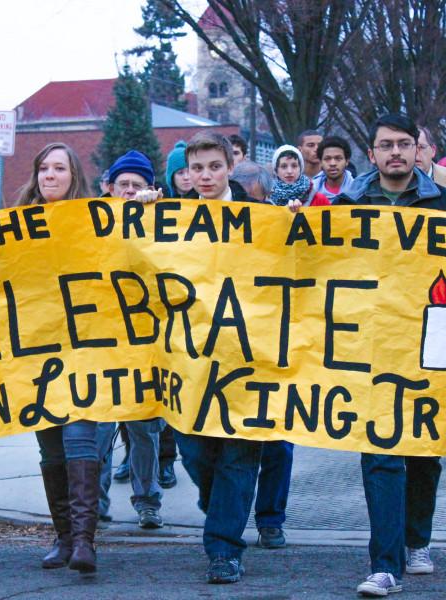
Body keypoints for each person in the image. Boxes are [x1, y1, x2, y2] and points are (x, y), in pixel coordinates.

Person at [334, 114, 446, 597]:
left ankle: (416, 539)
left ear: (419, 150)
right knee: (380, 450)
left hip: (431, 343)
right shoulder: (348, 205)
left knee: (424, 451)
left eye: (406, 144)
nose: (397, 153)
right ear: (373, 153)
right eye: (387, 145)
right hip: (371, 345)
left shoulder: (443, 202)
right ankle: (384, 565)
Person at [145, 131, 262, 583]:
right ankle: (219, 511)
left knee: (238, 454)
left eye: (215, 166)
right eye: (197, 169)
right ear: (186, 174)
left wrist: (299, 227)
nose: (206, 175)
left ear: (231, 167)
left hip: (247, 359)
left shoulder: (260, 218)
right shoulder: (166, 220)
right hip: (188, 362)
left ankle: (224, 549)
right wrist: (138, 217)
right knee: (196, 452)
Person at [17, 142, 102, 574]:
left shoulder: (95, 221)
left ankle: (86, 540)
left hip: (85, 350)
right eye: (43, 168)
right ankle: (64, 537)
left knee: (80, 440)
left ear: (74, 176)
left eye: (59, 168)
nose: (50, 175)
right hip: (35, 351)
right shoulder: (13, 225)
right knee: (51, 447)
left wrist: (145, 206)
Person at [97, 149, 167, 530]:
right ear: (109, 189)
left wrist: (154, 211)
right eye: (122, 184)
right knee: (101, 429)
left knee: (144, 431)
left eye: (136, 185)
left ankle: (148, 501)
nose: (128, 191)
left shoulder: (163, 222)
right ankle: (97, 503)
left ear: (149, 189)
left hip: (145, 344)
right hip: (103, 343)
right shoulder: (91, 223)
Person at [313, 136, 354, 202]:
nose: (332, 163)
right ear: (320, 162)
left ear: (347, 161)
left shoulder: (358, 191)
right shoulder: (309, 193)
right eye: (327, 159)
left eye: (338, 158)